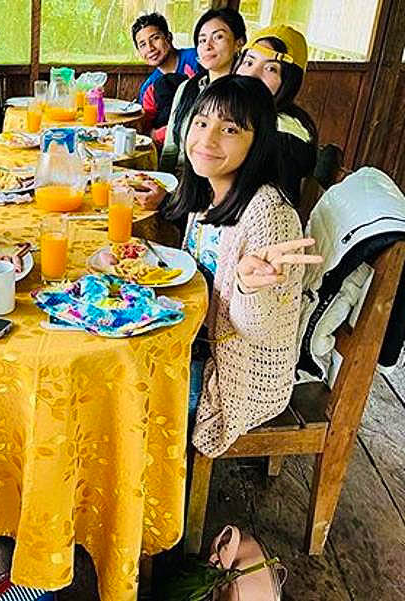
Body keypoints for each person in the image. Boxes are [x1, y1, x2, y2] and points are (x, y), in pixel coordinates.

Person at [164, 74, 322, 457]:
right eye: (202, 122)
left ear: (258, 141)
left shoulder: (268, 213)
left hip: (235, 374)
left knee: (135, 396)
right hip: (197, 339)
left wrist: (250, 287)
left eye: (230, 128)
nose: (208, 138)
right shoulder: (209, 190)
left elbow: (257, 328)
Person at [235, 25, 318, 205]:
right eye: (248, 62)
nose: (252, 74)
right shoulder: (237, 114)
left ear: (289, 81)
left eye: (271, 69)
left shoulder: (286, 136)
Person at [160, 8, 247, 175]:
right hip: (180, 184)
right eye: (202, 40)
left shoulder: (246, 95)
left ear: (239, 43)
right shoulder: (187, 88)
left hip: (221, 188)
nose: (207, 46)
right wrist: (162, 182)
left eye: (218, 37)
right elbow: (171, 147)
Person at [132, 12, 199, 140]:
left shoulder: (195, 59)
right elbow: (148, 130)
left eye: (155, 38)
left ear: (168, 37)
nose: (150, 48)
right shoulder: (149, 87)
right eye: (143, 45)